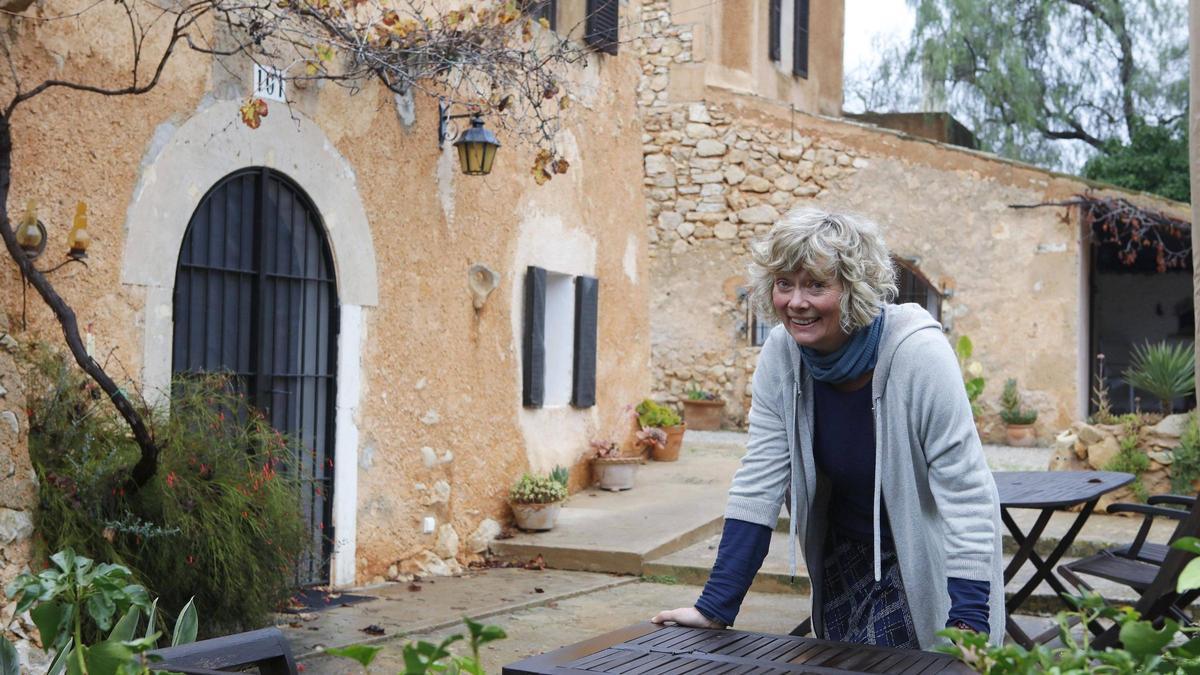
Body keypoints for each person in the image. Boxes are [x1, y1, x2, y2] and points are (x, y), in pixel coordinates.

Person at [651, 208, 1005, 649]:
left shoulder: (920, 356)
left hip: (917, 554)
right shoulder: (783, 354)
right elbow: (759, 478)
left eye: (816, 285)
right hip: (842, 554)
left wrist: (970, 623)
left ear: (855, 288)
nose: (796, 302)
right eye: (784, 283)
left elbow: (966, 492)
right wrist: (715, 606)